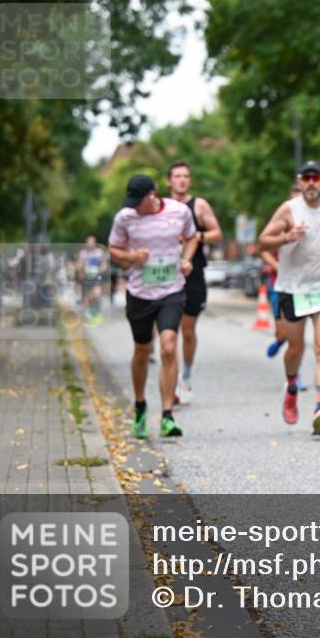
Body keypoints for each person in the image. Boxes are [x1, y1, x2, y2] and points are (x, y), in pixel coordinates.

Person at [259, 162, 320, 435]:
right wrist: (287, 237)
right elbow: (263, 242)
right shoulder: (289, 209)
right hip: (292, 288)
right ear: (299, 182)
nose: (311, 183)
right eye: (306, 178)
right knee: (295, 349)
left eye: (316, 178)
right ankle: (292, 386)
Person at [108, 174, 198, 439]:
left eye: (139, 201)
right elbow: (113, 248)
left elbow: (192, 237)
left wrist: (187, 259)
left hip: (172, 290)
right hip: (139, 292)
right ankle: (140, 407)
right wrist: (131, 256)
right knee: (142, 350)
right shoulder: (125, 217)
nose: (135, 206)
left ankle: (168, 415)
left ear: (153, 195)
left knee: (169, 347)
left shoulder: (179, 211)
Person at [167, 161, 223, 404]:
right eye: (177, 176)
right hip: (167, 274)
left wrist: (195, 236)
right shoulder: (162, 207)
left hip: (194, 274)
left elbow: (217, 233)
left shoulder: (199, 205)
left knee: (187, 331)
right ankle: (173, 381)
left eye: (185, 176)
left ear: (189, 181)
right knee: (170, 331)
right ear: (169, 181)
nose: (181, 180)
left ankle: (186, 376)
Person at [263, 184, 301, 360]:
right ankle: (279, 341)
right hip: (279, 284)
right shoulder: (281, 223)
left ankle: (295, 377)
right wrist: (277, 266)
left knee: (298, 339)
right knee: (282, 334)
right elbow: (262, 248)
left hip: (304, 284)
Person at [77, 235, 107, 326]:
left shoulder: (99, 252)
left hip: (96, 277)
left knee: (97, 294)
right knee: (87, 298)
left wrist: (99, 270)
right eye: (88, 242)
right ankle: (89, 316)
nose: (90, 244)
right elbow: (78, 265)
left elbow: (104, 264)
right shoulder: (82, 253)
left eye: (92, 242)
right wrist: (81, 268)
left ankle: (96, 315)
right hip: (86, 279)